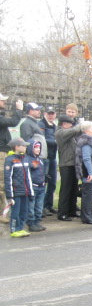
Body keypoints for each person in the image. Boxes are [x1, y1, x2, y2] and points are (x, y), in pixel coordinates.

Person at [0, 94, 24, 223]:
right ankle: (1, 213)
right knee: (2, 183)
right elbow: (13, 122)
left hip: (3, 151)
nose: (4, 102)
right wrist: (19, 110)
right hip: (1, 153)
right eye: (2, 100)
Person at [55, 115, 82, 221]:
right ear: (64, 124)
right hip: (66, 164)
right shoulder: (60, 133)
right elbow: (73, 131)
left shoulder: (68, 133)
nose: (72, 126)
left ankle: (71, 210)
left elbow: (76, 132)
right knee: (65, 190)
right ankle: (62, 213)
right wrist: (80, 124)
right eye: (70, 124)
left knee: (73, 189)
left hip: (73, 163)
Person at [4, 138, 33, 237]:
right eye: (23, 146)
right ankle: (14, 230)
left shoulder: (25, 158)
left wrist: (30, 191)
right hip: (16, 192)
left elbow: (28, 177)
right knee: (15, 212)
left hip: (25, 191)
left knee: (24, 211)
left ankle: (20, 228)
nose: (25, 147)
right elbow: (8, 179)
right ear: (17, 147)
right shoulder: (10, 160)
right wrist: (10, 196)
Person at [25, 135, 47, 232]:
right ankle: (31, 223)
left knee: (39, 206)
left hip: (41, 186)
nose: (38, 149)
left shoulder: (40, 160)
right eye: (35, 147)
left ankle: (37, 221)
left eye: (39, 147)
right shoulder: (27, 159)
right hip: (33, 187)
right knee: (31, 206)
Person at [39, 106, 58, 216]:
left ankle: (48, 205)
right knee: (43, 182)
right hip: (45, 157)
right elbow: (43, 139)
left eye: (52, 113)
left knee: (53, 183)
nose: (51, 115)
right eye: (49, 113)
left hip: (53, 157)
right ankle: (41, 208)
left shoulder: (54, 125)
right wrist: (56, 142)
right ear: (45, 113)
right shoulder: (41, 124)